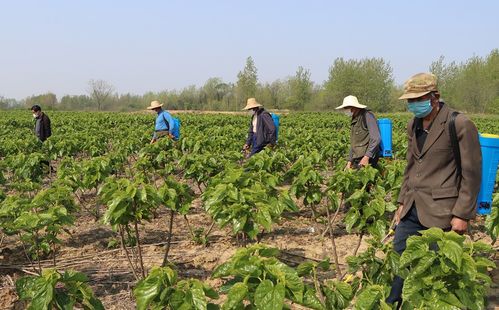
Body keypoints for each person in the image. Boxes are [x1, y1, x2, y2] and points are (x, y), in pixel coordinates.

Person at [386, 73, 482, 306]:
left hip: (442, 211)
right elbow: (410, 166)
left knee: (434, 269)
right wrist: (401, 203)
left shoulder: (459, 123)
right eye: (409, 101)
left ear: (434, 97)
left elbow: (472, 172)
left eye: (417, 99)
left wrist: (462, 214)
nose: (412, 105)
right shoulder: (413, 124)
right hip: (412, 208)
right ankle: (394, 303)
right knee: (400, 259)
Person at [336, 95, 381, 169]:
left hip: (367, 159)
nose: (345, 110)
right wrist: (349, 161)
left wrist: (366, 157)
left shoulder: (367, 116)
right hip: (358, 158)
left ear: (353, 107)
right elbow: (354, 143)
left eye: (346, 108)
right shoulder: (355, 119)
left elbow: (376, 138)